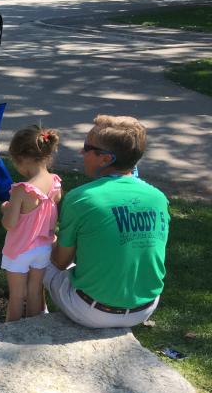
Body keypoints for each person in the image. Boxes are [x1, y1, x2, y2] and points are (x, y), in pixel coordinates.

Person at [46, 115, 169, 328]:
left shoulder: (81, 198)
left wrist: (50, 241)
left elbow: (60, 262)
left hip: (92, 311)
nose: (81, 152)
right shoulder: (158, 198)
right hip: (145, 308)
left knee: (33, 255)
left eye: (87, 147)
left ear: (106, 159)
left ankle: (33, 317)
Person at [0, 126, 62, 321]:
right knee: (35, 292)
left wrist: (7, 209)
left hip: (19, 250)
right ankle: (34, 331)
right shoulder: (55, 182)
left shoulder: (22, 190)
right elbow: (49, 209)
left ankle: (10, 334)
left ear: (22, 159)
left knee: (17, 296)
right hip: (43, 247)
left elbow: (9, 224)